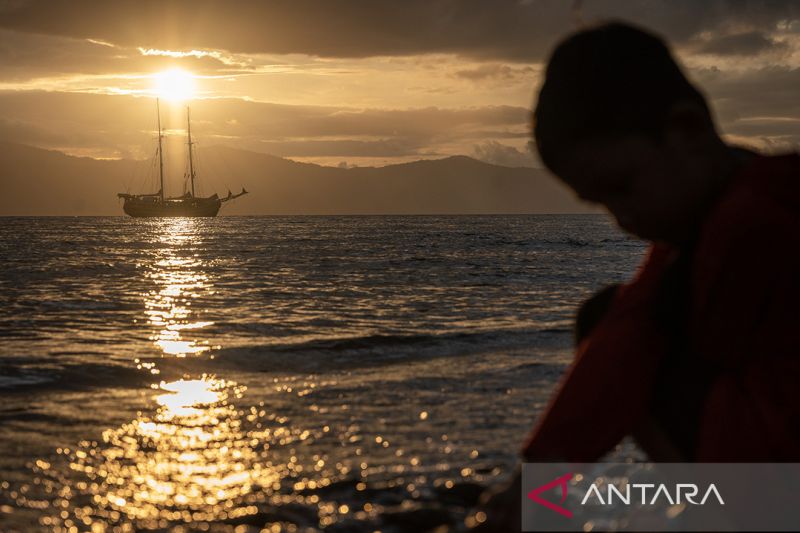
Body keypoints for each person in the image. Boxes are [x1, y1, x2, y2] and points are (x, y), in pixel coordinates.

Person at [467, 20, 800, 531]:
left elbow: (633, 342)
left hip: (776, 491)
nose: (622, 219)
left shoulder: (754, 222)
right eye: (600, 203)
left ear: (685, 130)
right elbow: (630, 324)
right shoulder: (712, 221)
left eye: (623, 187)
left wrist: (537, 489)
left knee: (623, 332)